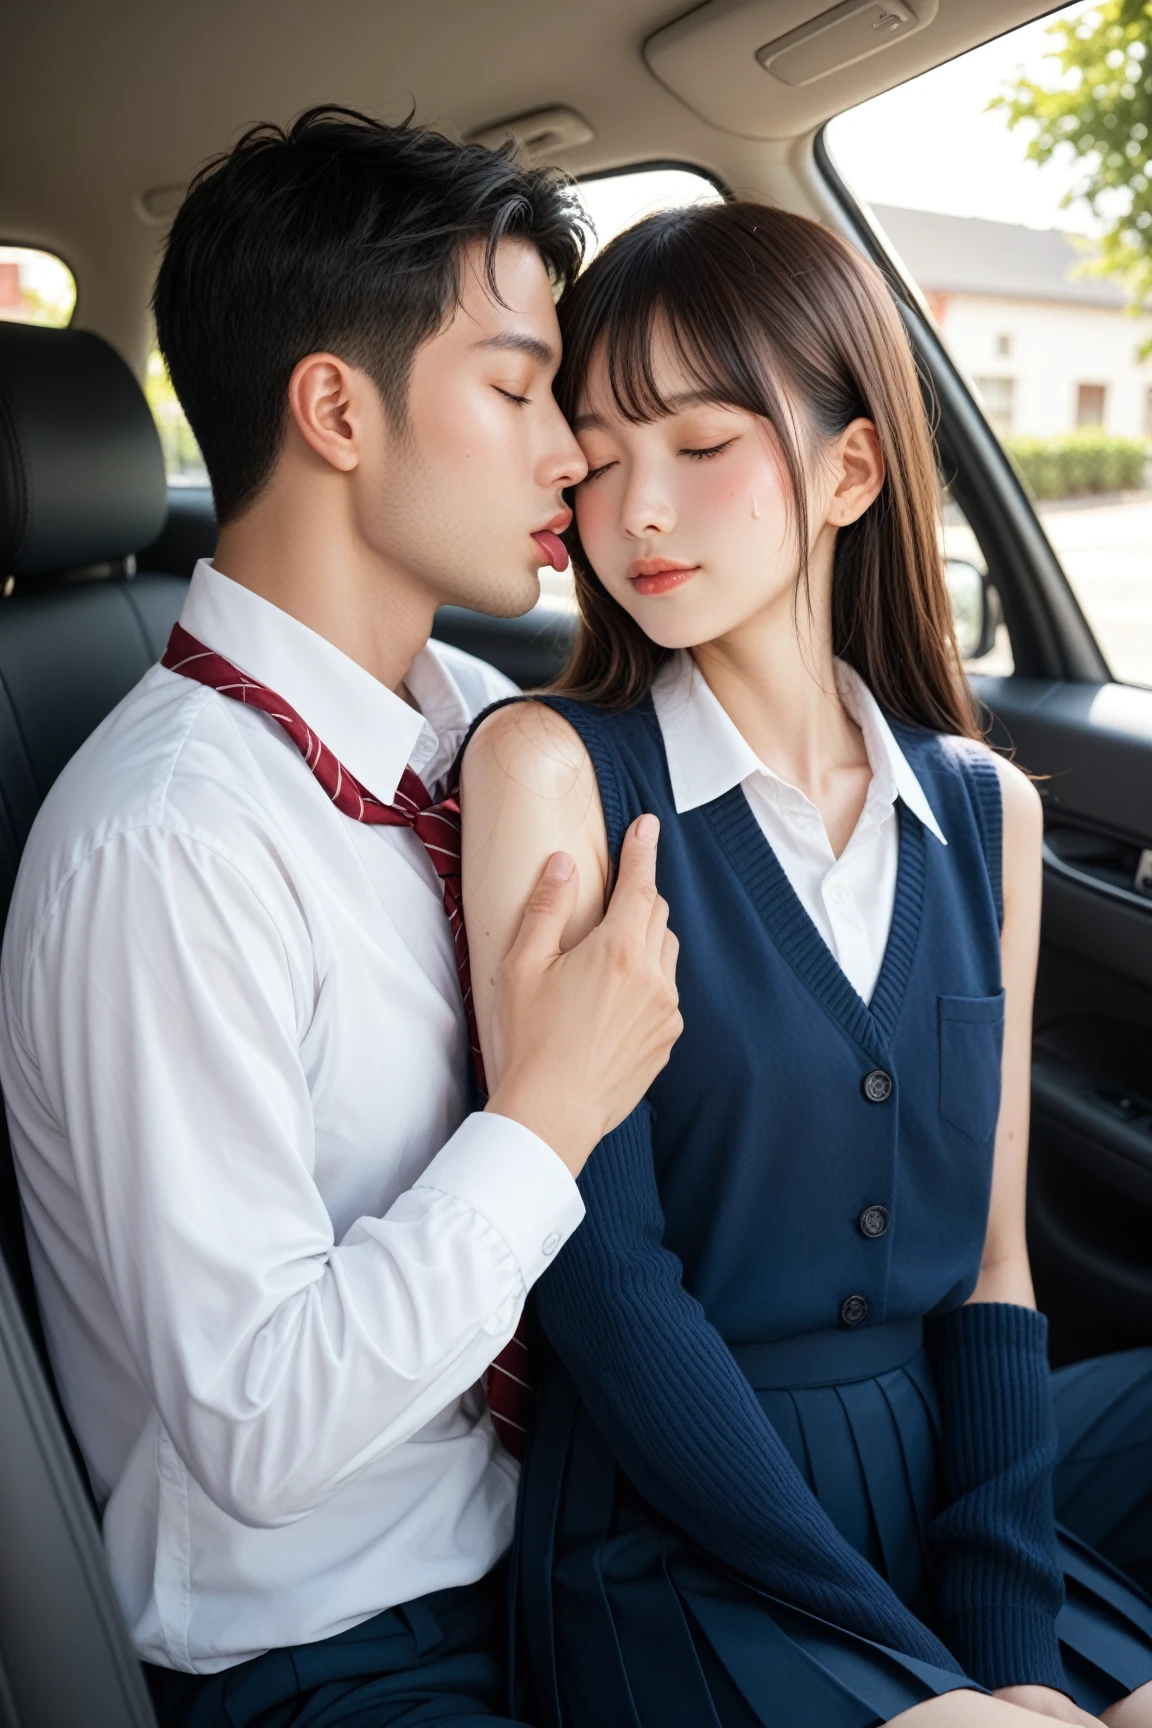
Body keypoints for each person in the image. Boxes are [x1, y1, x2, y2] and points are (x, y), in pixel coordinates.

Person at [0, 110, 682, 1727]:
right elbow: (257, 1429)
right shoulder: (167, 848)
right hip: (335, 1649)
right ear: (334, 410)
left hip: (565, 1539)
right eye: (519, 390)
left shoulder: (469, 726)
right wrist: (546, 1118)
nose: (571, 452)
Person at [460, 201, 1152, 1728]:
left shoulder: (982, 814)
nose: (636, 509)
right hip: (678, 1528)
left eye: (702, 446)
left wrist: (1007, 1648)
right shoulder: (553, 767)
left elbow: (990, 1268)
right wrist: (915, 1674)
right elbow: (602, 1283)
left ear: (849, 469)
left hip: (939, 1496)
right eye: (599, 451)